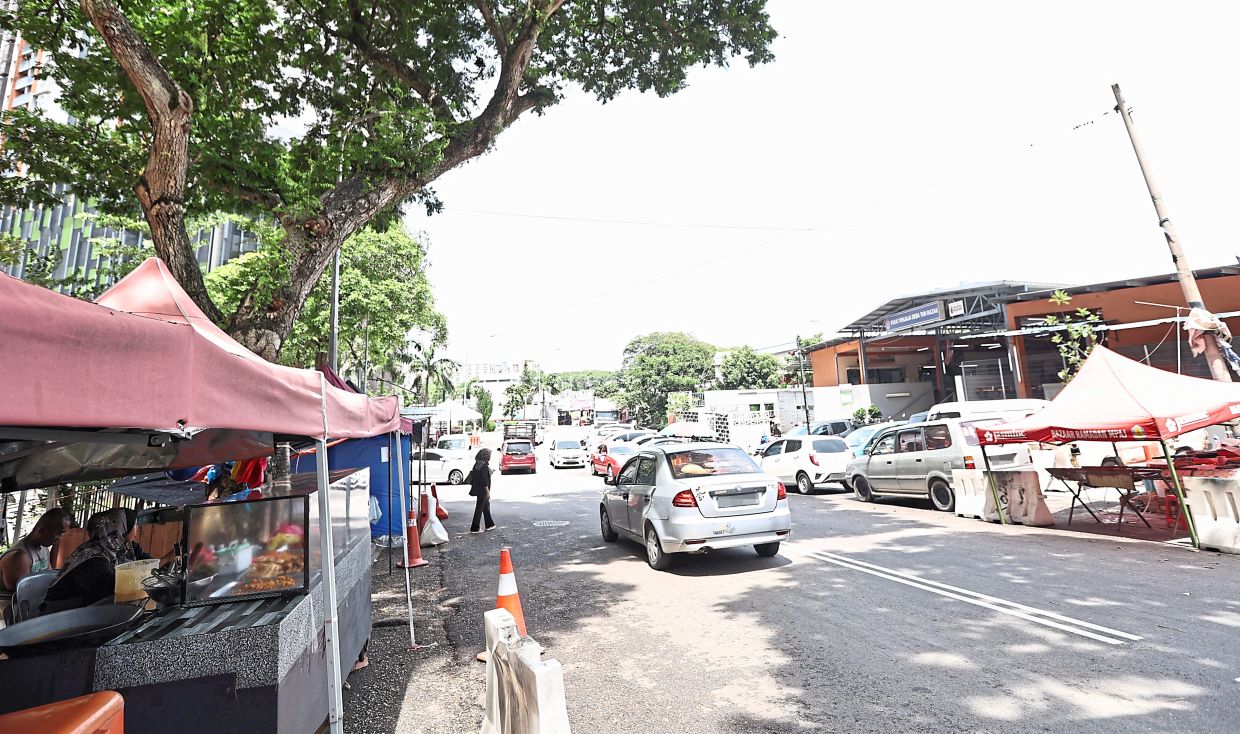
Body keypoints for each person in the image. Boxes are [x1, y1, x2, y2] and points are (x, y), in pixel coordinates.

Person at [41, 511, 128, 614]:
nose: (136, 529)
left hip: (69, 612)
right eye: (131, 526)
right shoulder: (94, 557)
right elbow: (117, 585)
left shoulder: (101, 549)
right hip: (56, 617)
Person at [0, 507, 70, 622]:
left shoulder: (44, 549)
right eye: (58, 533)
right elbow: (23, 596)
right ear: (41, 530)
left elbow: (50, 579)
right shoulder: (19, 557)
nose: (60, 538)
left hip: (29, 613)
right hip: (10, 619)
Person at [468, 448, 496, 533]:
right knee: (480, 508)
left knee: (485, 507)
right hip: (483, 490)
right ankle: (475, 527)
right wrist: (487, 491)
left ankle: (489, 524)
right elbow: (484, 479)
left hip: (478, 489)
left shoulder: (477, 464)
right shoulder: (484, 466)